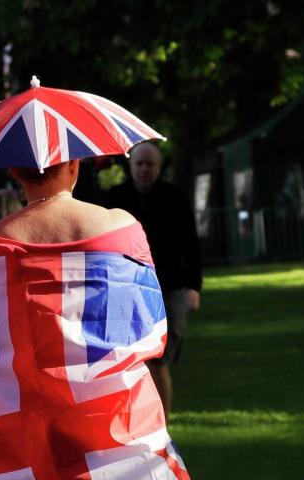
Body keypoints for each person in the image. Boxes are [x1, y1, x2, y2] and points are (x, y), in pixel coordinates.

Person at [0, 159, 185, 477]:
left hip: (21, 433)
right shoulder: (121, 227)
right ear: (74, 167)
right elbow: (149, 323)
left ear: (14, 171)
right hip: (116, 426)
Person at [101, 142, 202, 418]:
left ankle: (162, 422)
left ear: (159, 168)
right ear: (130, 167)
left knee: (160, 360)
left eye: (150, 164)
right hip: (126, 289)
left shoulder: (175, 198)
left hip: (169, 288)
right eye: (139, 164)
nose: (144, 169)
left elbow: (190, 244)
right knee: (130, 361)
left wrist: (194, 286)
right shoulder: (114, 199)